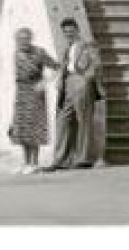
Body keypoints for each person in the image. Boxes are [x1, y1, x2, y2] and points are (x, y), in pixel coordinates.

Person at [46, 17, 103, 171]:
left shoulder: (87, 45)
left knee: (84, 121)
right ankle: (59, 160)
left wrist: (85, 80)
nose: (69, 34)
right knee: (62, 121)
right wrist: (60, 80)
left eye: (71, 31)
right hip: (67, 85)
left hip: (81, 82)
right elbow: (65, 66)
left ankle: (84, 158)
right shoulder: (67, 48)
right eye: (66, 32)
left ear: (77, 30)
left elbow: (96, 65)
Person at [9, 27, 59, 175]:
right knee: (22, 129)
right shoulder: (16, 54)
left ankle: (35, 163)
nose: (22, 42)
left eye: (25, 39)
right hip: (21, 93)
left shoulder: (39, 52)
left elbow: (57, 67)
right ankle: (25, 162)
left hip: (35, 93)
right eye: (19, 39)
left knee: (34, 128)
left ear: (30, 39)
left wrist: (44, 82)